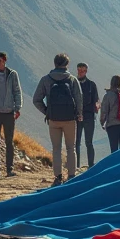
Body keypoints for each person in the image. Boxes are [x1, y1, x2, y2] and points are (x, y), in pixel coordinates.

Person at [33, 54, 82, 185]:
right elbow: (79, 98)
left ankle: (58, 177)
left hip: (53, 119)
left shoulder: (46, 79)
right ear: (66, 64)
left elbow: (36, 99)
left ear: (54, 64)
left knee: (56, 148)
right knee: (71, 148)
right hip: (70, 119)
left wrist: (47, 112)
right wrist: (79, 114)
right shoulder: (72, 79)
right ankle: (71, 176)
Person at [75, 63, 100, 170]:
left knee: (88, 142)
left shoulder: (91, 85)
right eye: (79, 70)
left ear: (86, 71)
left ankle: (91, 165)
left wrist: (95, 111)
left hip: (89, 117)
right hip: (75, 117)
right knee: (76, 142)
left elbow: (96, 100)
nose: (81, 72)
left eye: (83, 71)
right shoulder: (73, 83)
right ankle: (75, 166)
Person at [100, 75, 120, 152]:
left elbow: (104, 111)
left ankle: (115, 164)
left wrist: (102, 122)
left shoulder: (108, 95)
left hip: (112, 125)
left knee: (114, 149)